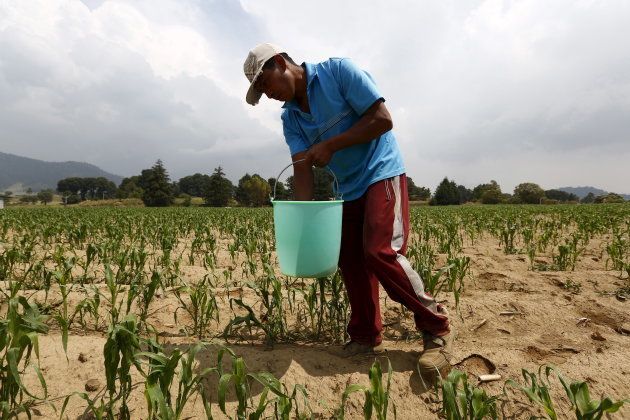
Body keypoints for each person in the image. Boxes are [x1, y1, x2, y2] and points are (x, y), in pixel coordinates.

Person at [243, 43, 454, 380]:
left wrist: (330, 144)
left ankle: (437, 327)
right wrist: (304, 221)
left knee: (379, 251)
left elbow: (383, 120)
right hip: (348, 187)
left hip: (380, 171)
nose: (267, 95)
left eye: (265, 84)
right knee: (350, 260)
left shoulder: (339, 72)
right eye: (260, 91)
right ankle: (366, 336)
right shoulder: (291, 118)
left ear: (280, 63)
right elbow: (301, 169)